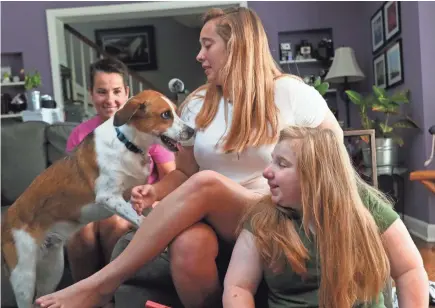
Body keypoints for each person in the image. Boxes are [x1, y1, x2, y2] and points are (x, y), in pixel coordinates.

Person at [36, 7, 343, 308]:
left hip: (273, 211)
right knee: (188, 243)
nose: (199, 55)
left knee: (208, 182)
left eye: (207, 45)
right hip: (214, 217)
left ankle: (101, 286)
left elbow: (334, 155)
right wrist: (155, 191)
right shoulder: (198, 103)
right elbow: (182, 173)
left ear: (236, 46)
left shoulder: (289, 92)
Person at [223, 126, 428, 308]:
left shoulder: (364, 205)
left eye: (282, 164)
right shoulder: (263, 216)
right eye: (272, 161)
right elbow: (238, 287)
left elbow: (409, 269)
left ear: (315, 175)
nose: (267, 172)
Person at [65, 58, 176, 294]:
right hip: (94, 204)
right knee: (79, 229)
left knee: (112, 222)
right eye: (101, 92)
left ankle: (110, 292)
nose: (110, 99)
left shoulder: (148, 128)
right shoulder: (81, 134)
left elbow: (172, 177)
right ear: (91, 94)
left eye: (116, 91)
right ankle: (82, 295)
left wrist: (154, 200)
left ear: (127, 92)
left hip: (137, 204)